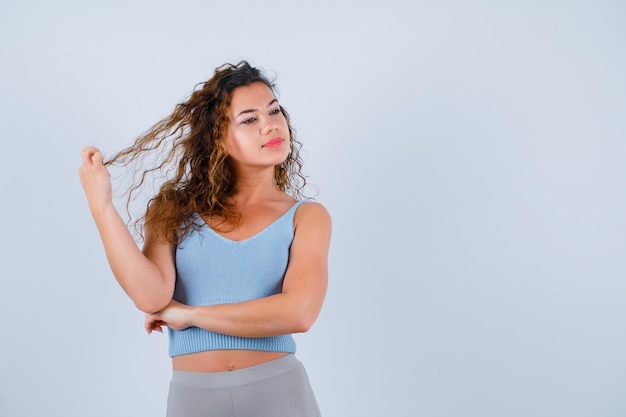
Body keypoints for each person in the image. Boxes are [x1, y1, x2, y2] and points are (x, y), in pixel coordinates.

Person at [78, 61, 331, 417]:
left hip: (279, 393)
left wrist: (190, 315)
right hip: (193, 399)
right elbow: (150, 295)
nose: (271, 124)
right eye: (249, 119)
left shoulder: (306, 217)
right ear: (219, 138)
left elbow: (299, 313)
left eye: (274, 111)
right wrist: (102, 206)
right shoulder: (174, 209)